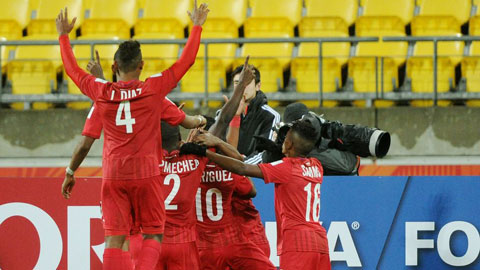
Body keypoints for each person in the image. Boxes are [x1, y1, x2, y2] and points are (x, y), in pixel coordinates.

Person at [56, 2, 208, 269]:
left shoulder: (101, 92)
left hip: (114, 174)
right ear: (142, 65)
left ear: (115, 66)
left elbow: (73, 71)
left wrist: (64, 37)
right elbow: (186, 61)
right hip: (147, 173)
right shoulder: (153, 90)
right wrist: (196, 27)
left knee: (114, 239)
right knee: (154, 233)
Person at [185, 119, 331, 270]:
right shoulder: (316, 166)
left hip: (297, 240)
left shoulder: (286, 168)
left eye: (285, 138)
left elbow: (242, 168)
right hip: (320, 239)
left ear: (290, 144)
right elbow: (297, 161)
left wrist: (206, 152)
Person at [61, 55, 207, 197]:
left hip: (117, 176)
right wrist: (201, 120)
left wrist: (99, 81)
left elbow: (111, 104)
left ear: (114, 67)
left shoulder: (104, 99)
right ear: (141, 66)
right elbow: (189, 122)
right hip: (147, 176)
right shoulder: (153, 95)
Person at [225, 65, 281, 165]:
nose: (241, 87)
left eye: (247, 83)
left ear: (258, 86)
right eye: (237, 83)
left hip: (253, 176)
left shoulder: (271, 116)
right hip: (226, 174)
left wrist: (240, 166)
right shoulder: (222, 113)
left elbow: (266, 153)